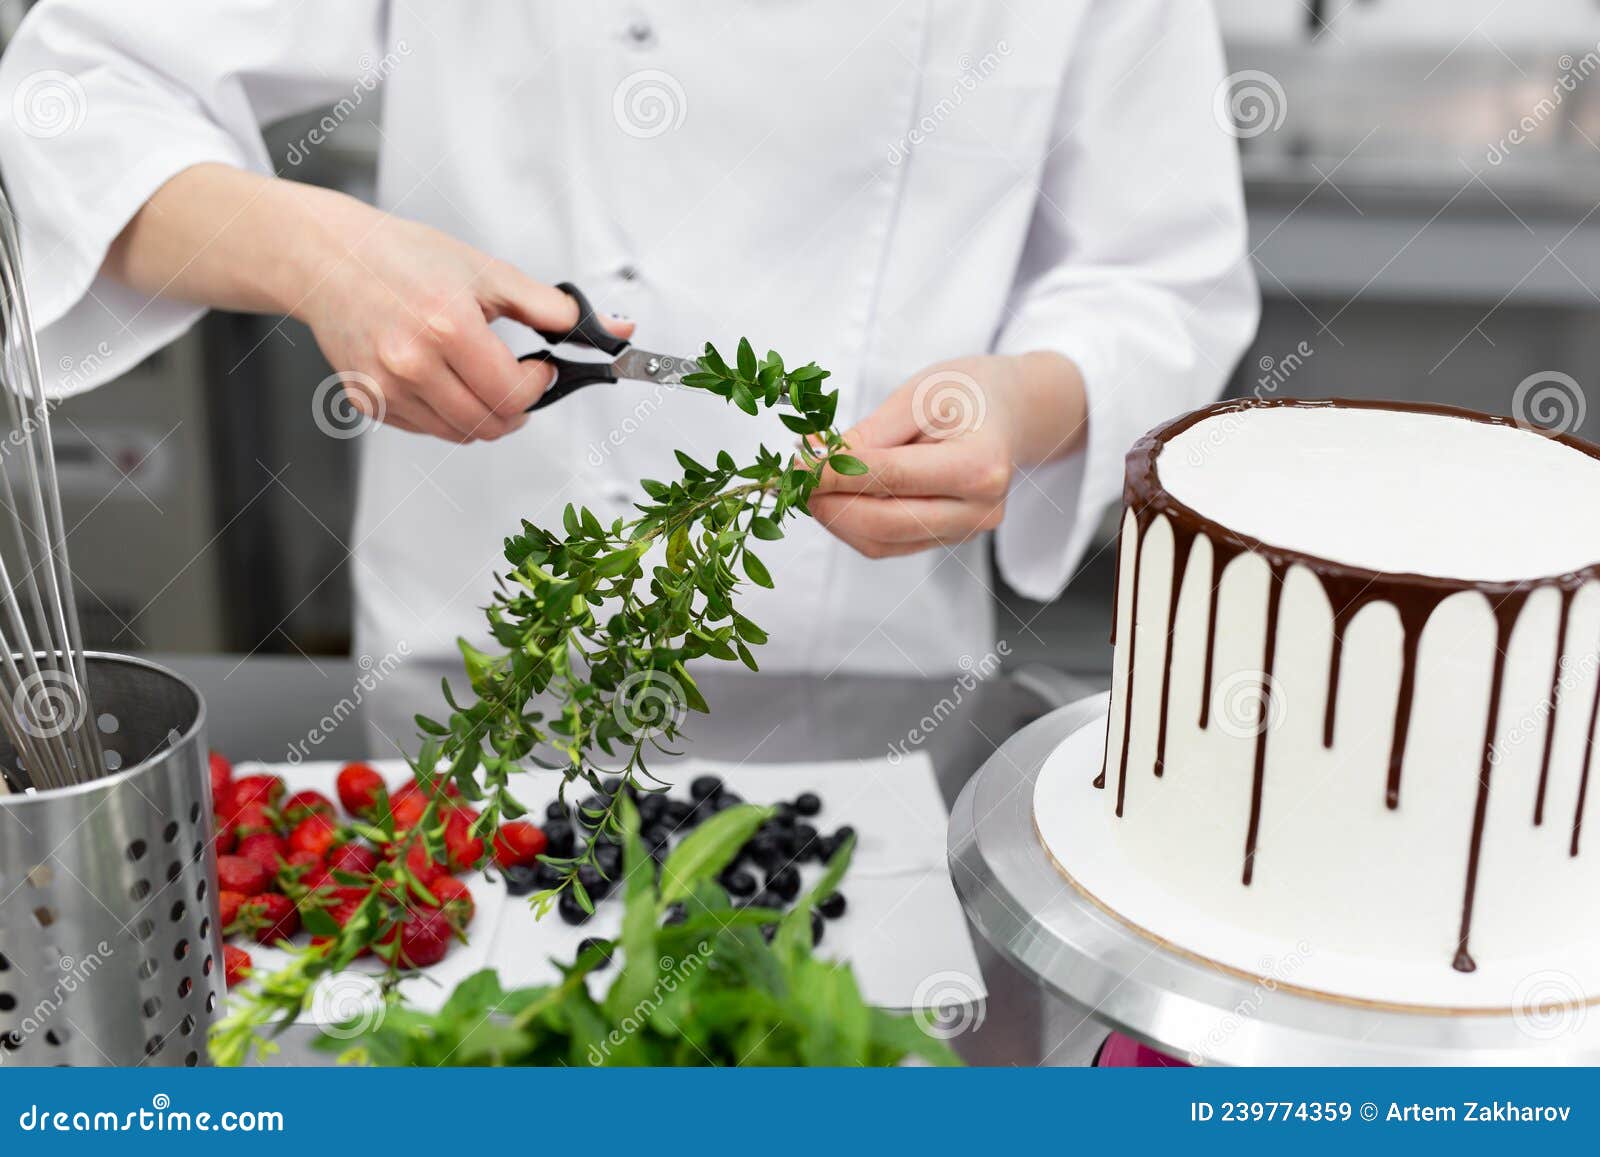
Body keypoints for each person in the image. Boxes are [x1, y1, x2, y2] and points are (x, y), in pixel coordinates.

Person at [0, 1, 1256, 747]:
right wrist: (322, 249)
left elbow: (1159, 276)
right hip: (471, 659)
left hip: (873, 680)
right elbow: (77, 94)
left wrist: (1022, 406)